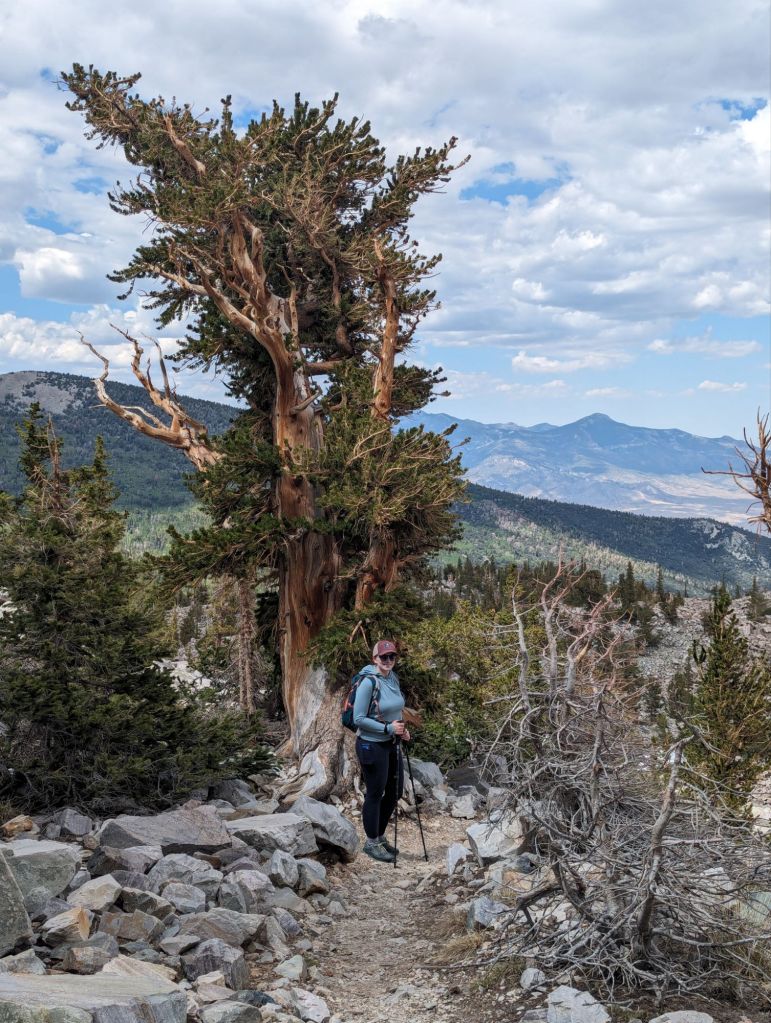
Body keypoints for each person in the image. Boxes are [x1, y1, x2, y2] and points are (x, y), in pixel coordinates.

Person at [353, 638, 411, 863]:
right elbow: (359, 719)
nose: (388, 660)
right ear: (374, 659)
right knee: (375, 793)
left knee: (395, 791)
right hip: (371, 744)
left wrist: (401, 729)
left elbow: (396, 709)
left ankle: (379, 835)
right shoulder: (369, 682)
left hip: (390, 742)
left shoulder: (392, 679)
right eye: (383, 657)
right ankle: (371, 842)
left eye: (391, 656)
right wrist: (387, 728)